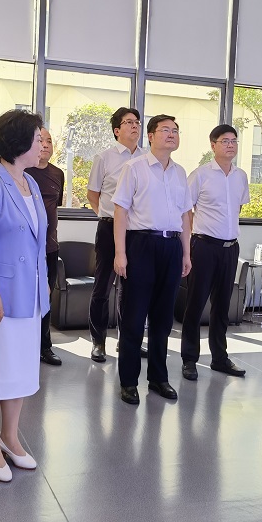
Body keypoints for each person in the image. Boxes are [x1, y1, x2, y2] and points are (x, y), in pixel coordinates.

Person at [0, 110, 47, 482]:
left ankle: (10, 437)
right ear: (20, 142)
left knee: (20, 370)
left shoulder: (29, 182)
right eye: (38, 138)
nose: (43, 144)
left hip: (29, 294)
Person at [112, 114, 192, 405]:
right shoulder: (134, 168)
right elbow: (120, 212)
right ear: (150, 136)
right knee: (134, 318)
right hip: (141, 244)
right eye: (165, 130)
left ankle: (159, 378)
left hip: (172, 246)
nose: (171, 134)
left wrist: (186, 252)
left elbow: (185, 215)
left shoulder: (180, 172)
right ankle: (129, 381)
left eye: (175, 130)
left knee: (163, 318)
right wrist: (120, 253)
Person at [180, 124, 249, 381]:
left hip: (230, 248)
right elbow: (185, 210)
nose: (230, 145)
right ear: (213, 145)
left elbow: (237, 209)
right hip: (204, 247)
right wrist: (188, 244)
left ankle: (220, 358)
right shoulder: (200, 175)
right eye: (225, 141)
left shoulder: (241, 176)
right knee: (195, 304)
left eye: (234, 141)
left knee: (222, 307)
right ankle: (189, 359)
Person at [86, 107, 145, 362]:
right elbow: (93, 194)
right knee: (103, 286)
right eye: (129, 122)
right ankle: (98, 341)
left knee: (132, 289)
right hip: (109, 227)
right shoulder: (104, 158)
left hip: (137, 231)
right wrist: (106, 216)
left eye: (137, 122)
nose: (135, 126)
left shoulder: (146, 158)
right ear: (117, 130)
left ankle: (128, 341)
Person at [25, 126, 64, 366]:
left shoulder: (58, 174)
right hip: (26, 248)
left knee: (45, 299)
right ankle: (24, 345)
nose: (46, 144)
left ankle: (45, 346)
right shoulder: (23, 172)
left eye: (49, 140)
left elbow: (54, 208)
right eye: (42, 140)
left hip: (50, 247)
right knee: (26, 298)